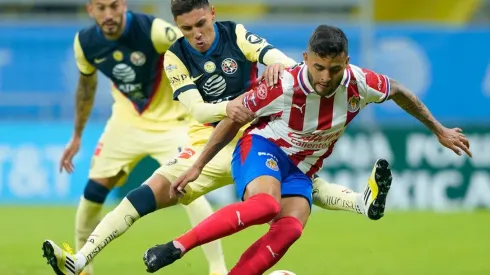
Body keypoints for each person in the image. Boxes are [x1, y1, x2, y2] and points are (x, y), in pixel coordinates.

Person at [142, 24, 472, 274]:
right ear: (305, 59)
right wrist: (199, 164)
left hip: (302, 170)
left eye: (335, 69)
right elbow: (233, 118)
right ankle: (177, 246)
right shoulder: (283, 83)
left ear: (347, 62)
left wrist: (439, 130)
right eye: (318, 67)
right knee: (266, 206)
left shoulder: (360, 82)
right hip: (261, 148)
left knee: (291, 228)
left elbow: (400, 92)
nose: (326, 78)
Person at [46, 0, 226, 274]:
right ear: (90, 10)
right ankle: (82, 268)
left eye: (114, 6)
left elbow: (194, 49)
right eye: (101, 7)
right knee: (92, 194)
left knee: (190, 190)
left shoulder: (152, 30)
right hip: (126, 122)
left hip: (171, 121)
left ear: (124, 5)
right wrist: (77, 136)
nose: (108, 14)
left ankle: (218, 268)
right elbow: (86, 86)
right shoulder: (85, 43)